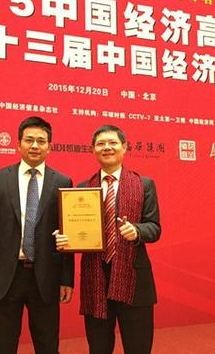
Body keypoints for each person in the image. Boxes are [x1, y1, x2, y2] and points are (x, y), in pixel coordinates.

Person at [0, 116, 74, 354]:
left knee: (48, 346)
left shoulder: (62, 181)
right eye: (29, 140)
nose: (35, 145)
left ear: (49, 147)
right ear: (18, 144)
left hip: (45, 275)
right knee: (4, 346)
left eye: (41, 141)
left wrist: (66, 279)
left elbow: (66, 233)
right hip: (7, 274)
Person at [55, 124, 161, 354]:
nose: (107, 147)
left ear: (124, 147)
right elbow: (75, 229)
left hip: (134, 280)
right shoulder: (83, 189)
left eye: (113, 143)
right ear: (93, 149)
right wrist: (66, 238)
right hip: (96, 281)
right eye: (101, 143)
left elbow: (154, 228)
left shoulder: (144, 184)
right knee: (99, 348)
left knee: (139, 347)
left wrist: (137, 231)